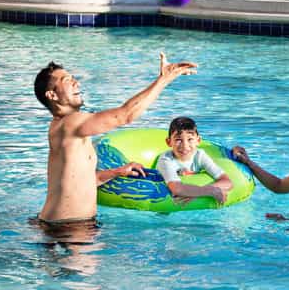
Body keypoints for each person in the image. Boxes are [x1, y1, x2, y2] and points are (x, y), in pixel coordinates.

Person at [33, 52, 197, 223]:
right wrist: (164, 79)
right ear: (52, 95)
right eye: (67, 80)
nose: (76, 82)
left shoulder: (61, 127)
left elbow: (80, 182)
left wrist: (117, 172)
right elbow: (125, 116)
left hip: (58, 223)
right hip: (69, 227)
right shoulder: (71, 123)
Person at [156, 116, 233, 204]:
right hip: (164, 202)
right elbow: (177, 189)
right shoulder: (166, 160)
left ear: (198, 140)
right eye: (178, 140)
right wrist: (211, 191)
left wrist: (196, 193)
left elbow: (227, 182)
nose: (185, 146)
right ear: (169, 142)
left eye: (190, 139)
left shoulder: (200, 155)